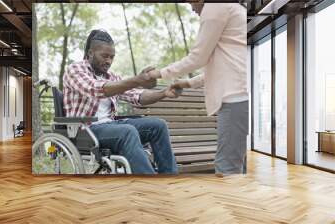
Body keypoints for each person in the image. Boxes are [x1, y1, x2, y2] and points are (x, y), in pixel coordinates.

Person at [147, 2, 248, 174]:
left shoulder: (216, 6)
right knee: (235, 165)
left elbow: (198, 58)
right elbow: (224, 68)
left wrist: (158, 74)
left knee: (227, 168)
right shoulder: (232, 8)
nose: (192, 8)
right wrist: (187, 83)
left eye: (191, 2)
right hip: (237, 97)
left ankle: (226, 201)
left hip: (233, 99)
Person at [63, 29, 180, 174]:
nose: (109, 61)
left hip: (110, 126)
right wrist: (137, 80)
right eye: (105, 56)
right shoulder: (75, 69)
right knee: (127, 131)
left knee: (158, 125)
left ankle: (170, 178)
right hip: (85, 130)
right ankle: (151, 186)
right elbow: (97, 89)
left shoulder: (111, 76)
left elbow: (137, 96)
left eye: (112, 57)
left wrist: (164, 93)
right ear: (90, 53)